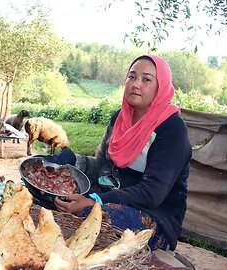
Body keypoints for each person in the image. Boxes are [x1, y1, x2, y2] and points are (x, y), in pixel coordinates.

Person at [45, 55, 191, 251]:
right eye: (131, 77)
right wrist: (71, 162)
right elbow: (102, 165)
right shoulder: (119, 119)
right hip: (109, 197)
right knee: (49, 196)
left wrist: (96, 201)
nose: (136, 84)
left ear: (160, 86)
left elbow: (152, 193)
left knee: (91, 214)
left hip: (153, 215)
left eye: (146, 79)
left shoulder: (171, 129)